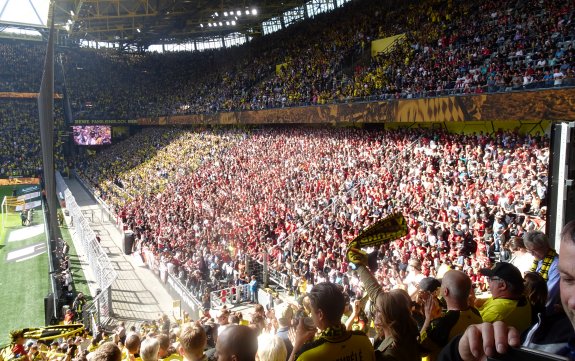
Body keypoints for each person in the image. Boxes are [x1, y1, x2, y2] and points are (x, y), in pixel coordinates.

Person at [439, 219, 575, 361]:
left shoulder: (499, 313)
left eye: (491, 280)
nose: (572, 302)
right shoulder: (533, 327)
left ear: (503, 286)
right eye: (568, 279)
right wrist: (457, 353)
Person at [289, 282, 375, 361]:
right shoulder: (363, 340)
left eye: (311, 310)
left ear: (320, 314)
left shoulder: (307, 355)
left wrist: (296, 347)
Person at [420, 271, 483, 361]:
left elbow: (421, 350)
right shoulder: (476, 312)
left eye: (441, 285)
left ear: (445, 291)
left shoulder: (444, 324)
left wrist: (428, 319)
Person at [476, 262, 532, 333]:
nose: (488, 283)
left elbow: (470, 330)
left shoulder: (497, 313)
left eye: (490, 279)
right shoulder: (521, 298)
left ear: (502, 285)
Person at [523, 230, 560, 313]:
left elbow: (549, 295)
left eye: (534, 250)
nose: (532, 254)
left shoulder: (556, 265)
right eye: (529, 251)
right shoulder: (538, 260)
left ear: (545, 246)